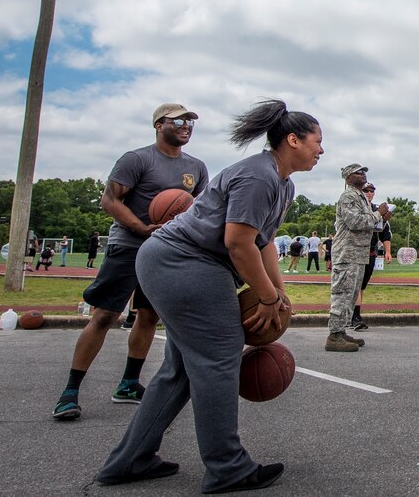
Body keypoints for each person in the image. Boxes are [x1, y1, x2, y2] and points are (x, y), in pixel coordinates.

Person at [96, 99, 321, 492]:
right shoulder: (259, 176)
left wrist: (280, 294)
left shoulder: (282, 182)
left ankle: (130, 460)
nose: (321, 151)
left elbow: (262, 242)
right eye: (318, 142)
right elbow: (237, 244)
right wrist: (266, 299)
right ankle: (227, 467)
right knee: (220, 357)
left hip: (177, 263)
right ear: (293, 140)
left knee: (180, 369)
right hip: (184, 264)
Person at [52, 103, 208, 422]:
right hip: (128, 245)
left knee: (149, 316)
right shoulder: (137, 159)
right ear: (157, 125)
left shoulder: (197, 167)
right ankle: (70, 392)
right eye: (177, 120)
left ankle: (128, 384)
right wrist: (140, 227)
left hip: (164, 251)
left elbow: (197, 209)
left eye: (191, 121)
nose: (186, 125)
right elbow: (109, 200)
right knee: (105, 315)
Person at [326, 165, 391, 351]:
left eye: (364, 171)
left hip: (358, 253)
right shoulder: (348, 197)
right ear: (348, 178)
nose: (363, 174)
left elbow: (371, 227)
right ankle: (334, 336)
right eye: (358, 172)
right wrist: (378, 213)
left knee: (351, 294)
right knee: (342, 293)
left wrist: (383, 219)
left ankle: (341, 331)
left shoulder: (360, 196)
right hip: (347, 252)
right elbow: (355, 222)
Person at [351, 182, 392, 331]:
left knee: (361, 286)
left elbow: (385, 234)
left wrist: (387, 252)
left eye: (371, 191)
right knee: (354, 285)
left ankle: (355, 314)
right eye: (366, 190)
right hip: (355, 251)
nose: (369, 193)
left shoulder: (377, 210)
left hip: (370, 252)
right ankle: (355, 317)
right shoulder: (356, 207)